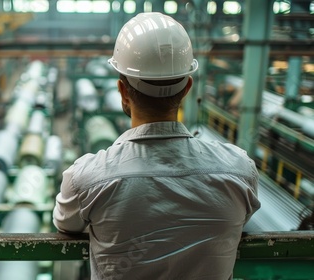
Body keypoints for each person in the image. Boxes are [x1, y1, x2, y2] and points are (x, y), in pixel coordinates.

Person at [53, 12, 260, 280]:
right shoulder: (239, 172)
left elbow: (66, 224)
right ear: (187, 87)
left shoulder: (86, 178)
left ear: (123, 91)